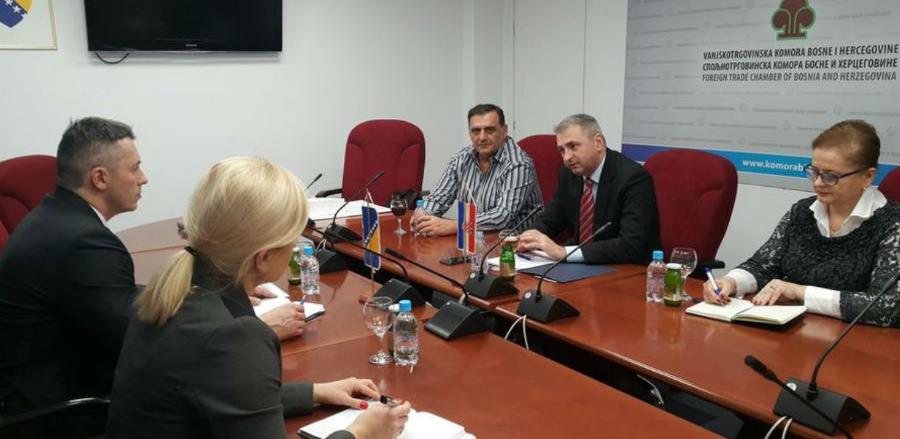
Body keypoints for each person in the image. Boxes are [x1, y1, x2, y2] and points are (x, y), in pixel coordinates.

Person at [107, 157, 410, 439]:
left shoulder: (168, 290)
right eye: (292, 238)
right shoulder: (233, 337)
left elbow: (219, 390)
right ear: (263, 258)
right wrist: (361, 433)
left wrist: (314, 392)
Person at [0, 117, 148, 417]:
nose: (143, 178)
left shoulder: (53, 215)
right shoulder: (86, 242)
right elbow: (135, 341)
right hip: (57, 411)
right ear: (100, 178)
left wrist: (177, 295)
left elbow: (109, 297)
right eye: (134, 168)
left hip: (28, 385)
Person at [703, 120, 900, 328]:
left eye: (830, 176)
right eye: (814, 171)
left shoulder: (891, 224)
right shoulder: (803, 212)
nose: (818, 183)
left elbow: (885, 307)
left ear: (867, 177)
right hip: (792, 330)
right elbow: (762, 266)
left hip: (858, 340)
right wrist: (732, 282)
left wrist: (799, 292)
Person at [516, 113, 660, 264]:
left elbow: (630, 245)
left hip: (628, 267)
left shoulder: (633, 178)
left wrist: (562, 252)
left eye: (573, 146)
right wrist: (527, 239)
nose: (567, 157)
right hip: (584, 266)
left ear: (598, 143)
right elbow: (551, 219)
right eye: (562, 150)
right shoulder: (569, 174)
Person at [412, 104, 542, 236]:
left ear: (504, 131)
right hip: (474, 238)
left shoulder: (518, 164)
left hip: (515, 242)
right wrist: (423, 214)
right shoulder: (461, 159)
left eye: (489, 130)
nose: (482, 137)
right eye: (476, 131)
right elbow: (439, 198)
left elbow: (502, 216)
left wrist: (453, 225)